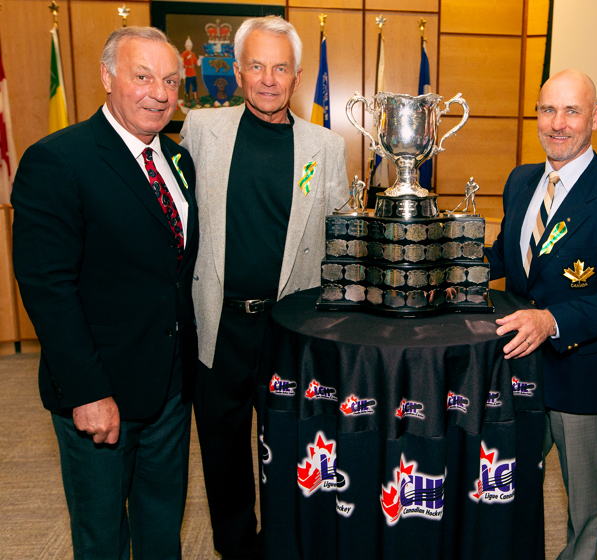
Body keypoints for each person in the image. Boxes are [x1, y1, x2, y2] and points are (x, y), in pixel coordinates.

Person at [12, 27, 197, 559]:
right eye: (142, 77)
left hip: (168, 388)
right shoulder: (58, 160)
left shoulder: (177, 161)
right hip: (100, 393)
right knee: (102, 541)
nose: (158, 94)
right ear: (107, 77)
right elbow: (48, 288)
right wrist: (88, 392)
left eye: (169, 81)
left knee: (163, 530)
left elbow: (172, 271)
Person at [180, 15, 348, 560]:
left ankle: (286, 547)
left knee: (293, 454)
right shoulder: (202, 130)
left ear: (297, 76)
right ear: (237, 70)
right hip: (218, 329)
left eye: (280, 67)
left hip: (288, 335)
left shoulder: (325, 147)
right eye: (257, 65)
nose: (268, 78)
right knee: (224, 462)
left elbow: (337, 245)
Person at [486, 69, 597, 560]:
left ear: (595, 117)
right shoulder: (520, 180)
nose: (558, 123)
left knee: (585, 509)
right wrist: (447, 266)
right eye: (548, 110)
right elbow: (503, 256)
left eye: (572, 111)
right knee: (502, 486)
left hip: (581, 372)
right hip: (516, 369)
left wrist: (551, 321)